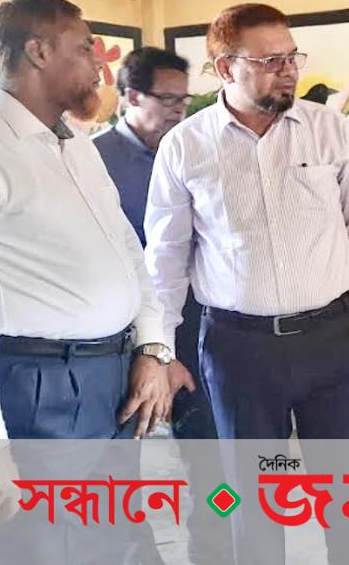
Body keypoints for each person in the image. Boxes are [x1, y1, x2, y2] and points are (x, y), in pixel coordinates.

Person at [0, 0, 174, 564]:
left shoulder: (75, 146)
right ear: (38, 51)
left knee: (114, 541)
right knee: (44, 546)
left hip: (108, 378)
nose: (100, 65)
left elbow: (129, 253)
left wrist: (151, 348)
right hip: (32, 389)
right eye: (84, 48)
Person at [144, 2, 349, 565]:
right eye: (269, 60)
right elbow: (165, 259)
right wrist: (161, 349)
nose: (288, 70)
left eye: (291, 57)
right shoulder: (186, 146)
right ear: (224, 68)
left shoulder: (328, 129)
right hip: (240, 350)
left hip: (335, 340)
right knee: (254, 501)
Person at [93, 46, 233, 565]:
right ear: (131, 96)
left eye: (184, 99)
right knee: (118, 470)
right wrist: (153, 350)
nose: (179, 110)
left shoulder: (199, 149)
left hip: (198, 329)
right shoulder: (93, 162)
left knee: (214, 461)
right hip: (118, 339)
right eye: (168, 99)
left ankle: (215, 555)